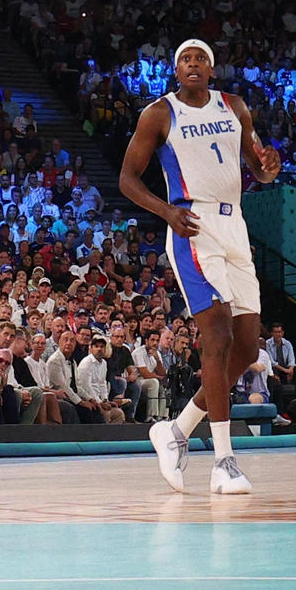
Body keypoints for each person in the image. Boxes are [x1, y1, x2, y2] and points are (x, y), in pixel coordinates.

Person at [117, 38, 281, 497]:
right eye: (185, 59)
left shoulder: (235, 107)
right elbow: (127, 180)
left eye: (200, 59)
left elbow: (260, 167)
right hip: (191, 225)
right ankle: (224, 462)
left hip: (235, 225)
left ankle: (176, 431)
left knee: (248, 349)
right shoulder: (159, 113)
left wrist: (269, 168)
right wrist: (165, 211)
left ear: (211, 70)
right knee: (219, 335)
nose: (193, 64)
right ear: (176, 71)